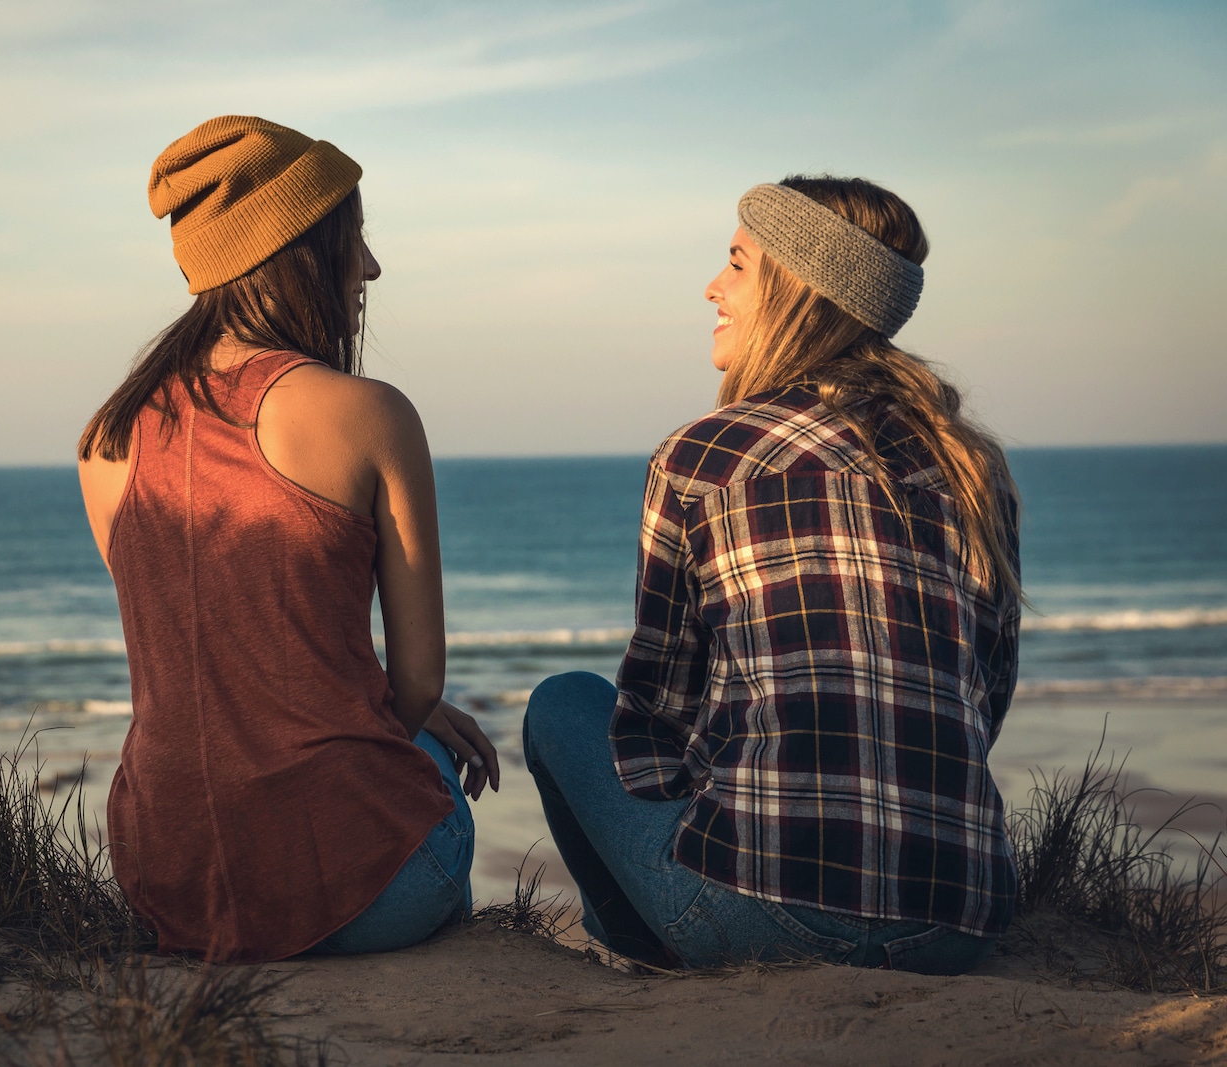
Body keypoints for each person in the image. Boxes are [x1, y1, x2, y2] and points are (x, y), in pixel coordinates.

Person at [524, 176, 1021, 975]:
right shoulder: (972, 468)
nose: (712, 286)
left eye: (737, 263)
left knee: (562, 704)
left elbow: (657, 717)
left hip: (756, 912)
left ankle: (645, 944)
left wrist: (727, 811)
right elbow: (986, 693)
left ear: (798, 291)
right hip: (958, 921)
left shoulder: (703, 456)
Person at [77, 115, 499, 963]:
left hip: (173, 889)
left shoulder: (106, 437)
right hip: (367, 896)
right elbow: (418, 679)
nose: (372, 266)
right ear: (299, 252)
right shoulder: (370, 413)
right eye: (355, 239)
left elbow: (220, 650)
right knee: (431, 756)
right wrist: (395, 715)